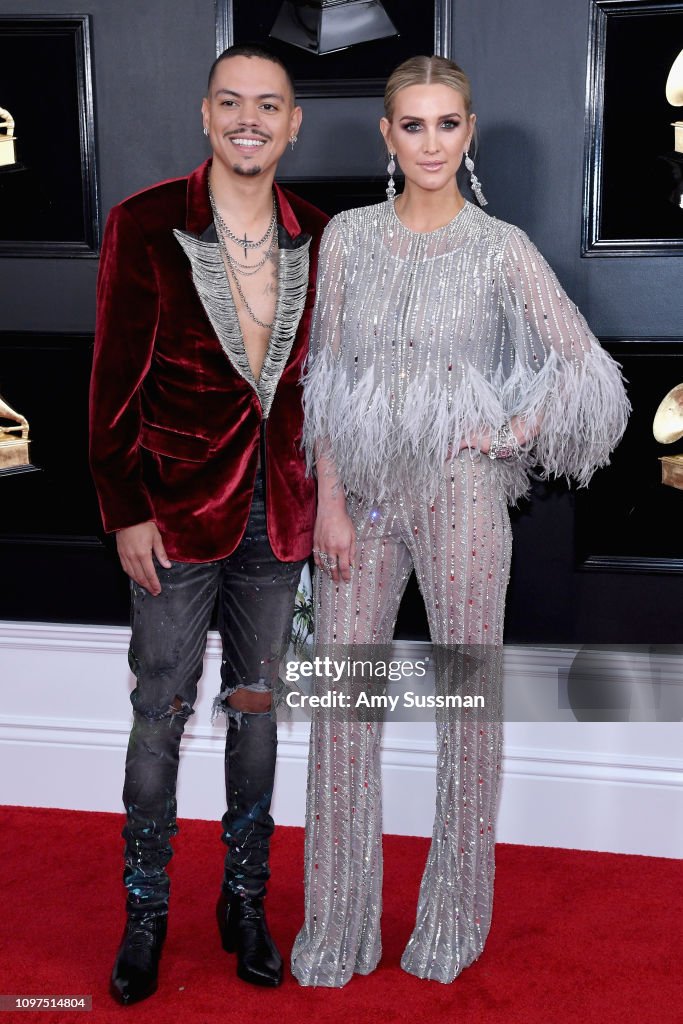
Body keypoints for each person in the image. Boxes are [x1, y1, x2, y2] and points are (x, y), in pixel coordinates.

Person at [290, 55, 629, 987]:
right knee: (340, 713)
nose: (430, 142)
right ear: (387, 136)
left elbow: (585, 370)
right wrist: (327, 503)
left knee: (464, 710)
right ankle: (339, 925)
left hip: (463, 496)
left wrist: (509, 430)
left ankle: (452, 917)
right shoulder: (348, 240)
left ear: (467, 133)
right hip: (356, 497)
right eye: (413, 125)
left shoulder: (500, 248)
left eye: (447, 124)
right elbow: (324, 382)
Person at [89, 44, 328, 1004]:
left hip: (280, 510)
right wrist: (124, 510)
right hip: (174, 512)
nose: (248, 119)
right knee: (158, 716)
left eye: (267, 105)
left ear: (292, 123)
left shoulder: (316, 233)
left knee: (257, 709)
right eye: (231, 102)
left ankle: (244, 903)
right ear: (204, 113)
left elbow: (319, 387)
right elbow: (110, 382)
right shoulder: (145, 223)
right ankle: (145, 915)